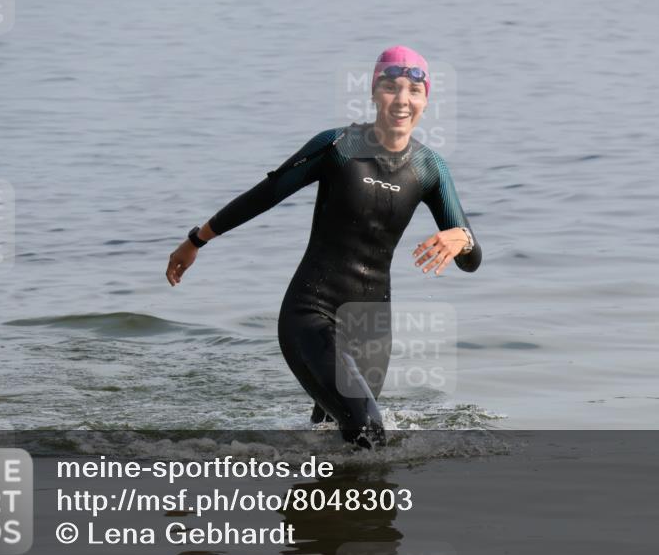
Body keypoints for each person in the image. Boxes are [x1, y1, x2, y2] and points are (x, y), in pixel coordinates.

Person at [166, 46, 482, 448]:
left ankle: (318, 508)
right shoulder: (338, 146)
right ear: (373, 92)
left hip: (371, 331)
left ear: (426, 99)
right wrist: (196, 240)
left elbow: (472, 261)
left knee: (338, 445)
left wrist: (465, 239)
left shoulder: (430, 169)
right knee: (368, 429)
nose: (402, 100)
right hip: (310, 313)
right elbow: (267, 193)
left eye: (413, 91)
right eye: (390, 87)